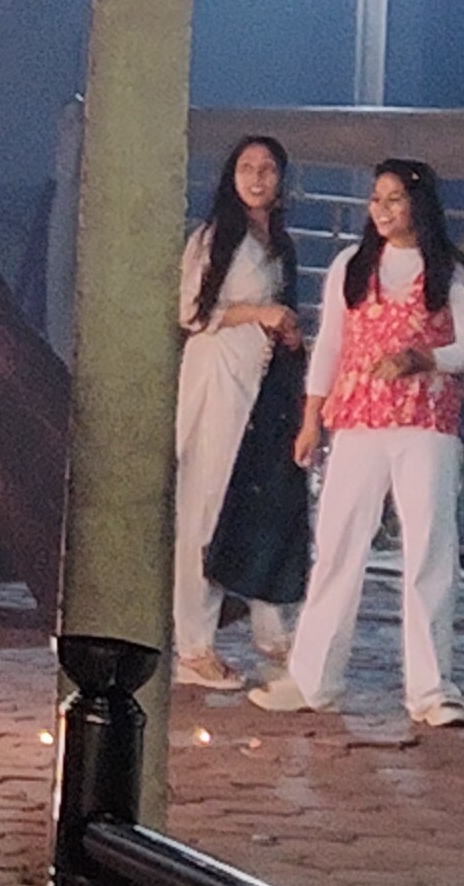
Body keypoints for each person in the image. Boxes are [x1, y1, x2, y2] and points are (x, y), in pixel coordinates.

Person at [253, 158, 464, 727]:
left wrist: (421, 359)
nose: (381, 210)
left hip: (424, 424)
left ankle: (432, 690)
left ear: (419, 205)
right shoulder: (352, 266)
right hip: (359, 420)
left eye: (394, 199)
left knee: (428, 551)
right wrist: (312, 418)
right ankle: (314, 680)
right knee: (338, 546)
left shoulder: (449, 271)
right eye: (376, 199)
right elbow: (331, 344)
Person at [172, 134, 305, 690]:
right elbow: (190, 312)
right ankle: (194, 647)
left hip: (262, 385)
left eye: (267, 169)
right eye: (246, 167)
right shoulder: (214, 238)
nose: (257, 178)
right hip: (218, 377)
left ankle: (272, 632)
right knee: (205, 506)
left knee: (260, 501)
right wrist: (259, 313)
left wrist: (285, 331)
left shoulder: (280, 245)